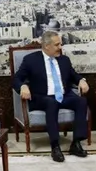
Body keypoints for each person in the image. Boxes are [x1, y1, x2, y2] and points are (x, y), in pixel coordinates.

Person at [11, 30, 89, 163]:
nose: (60, 47)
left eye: (60, 44)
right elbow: (16, 79)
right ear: (47, 46)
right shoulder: (31, 60)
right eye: (57, 45)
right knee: (51, 103)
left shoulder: (64, 60)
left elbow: (74, 75)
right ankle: (55, 146)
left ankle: (76, 143)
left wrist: (81, 80)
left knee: (81, 101)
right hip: (42, 97)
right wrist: (22, 86)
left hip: (64, 95)